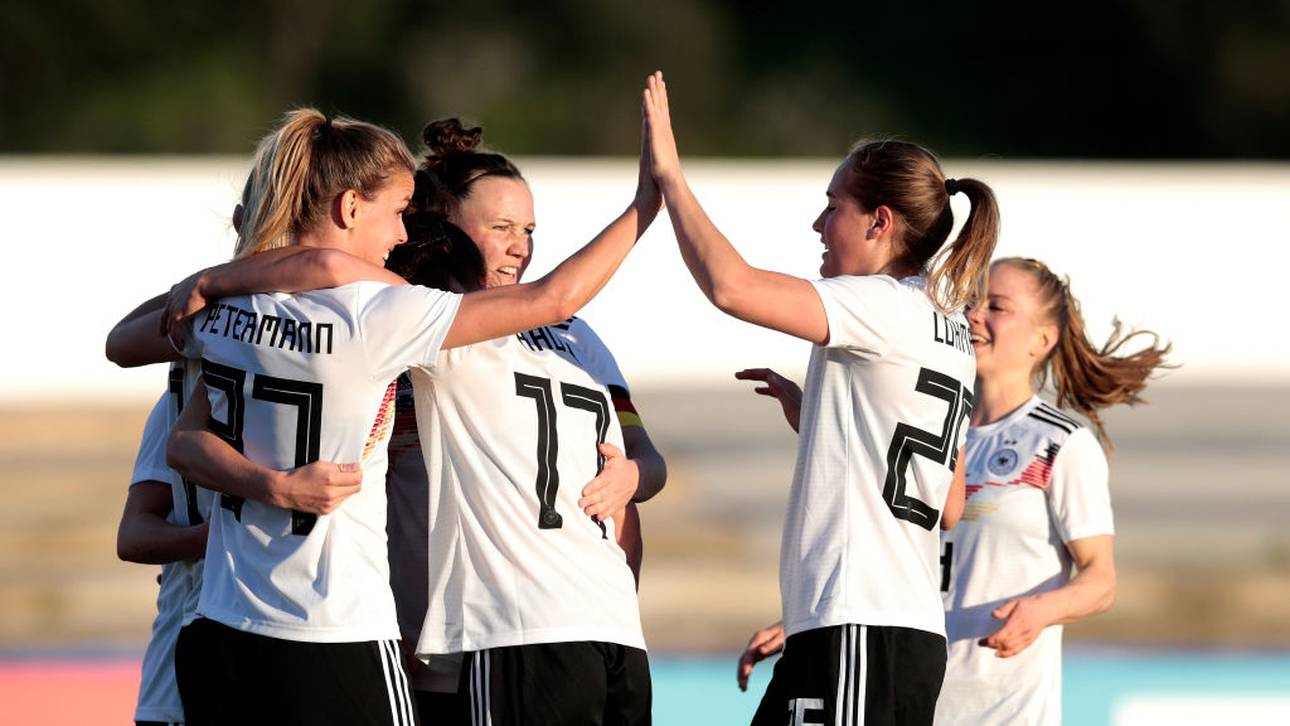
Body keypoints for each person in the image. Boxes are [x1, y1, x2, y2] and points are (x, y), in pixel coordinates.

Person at [109, 103, 660, 725]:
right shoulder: (375, 317)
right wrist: (649, 199)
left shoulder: (219, 311)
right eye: (399, 213)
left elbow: (143, 376)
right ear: (350, 209)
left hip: (220, 627)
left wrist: (272, 485)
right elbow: (552, 297)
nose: (403, 234)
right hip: (334, 625)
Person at [641, 71, 993, 724]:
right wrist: (825, 418)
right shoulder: (947, 327)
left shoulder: (881, 304)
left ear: (880, 221)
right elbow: (945, 500)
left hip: (862, 625)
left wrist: (670, 177)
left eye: (835, 205)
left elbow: (732, 287)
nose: (819, 222)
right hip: (876, 627)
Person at [380, 119, 666, 724]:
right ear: (446, 229)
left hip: (604, 621)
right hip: (500, 626)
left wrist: (636, 474)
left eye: (529, 230)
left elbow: (644, 456)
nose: (521, 247)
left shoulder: (576, 336)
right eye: (501, 228)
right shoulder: (436, 321)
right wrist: (647, 203)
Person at [934, 257, 1169, 725]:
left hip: (1002, 710)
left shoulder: (1060, 443)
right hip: (912, 701)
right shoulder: (933, 430)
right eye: (973, 302)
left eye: (997, 306)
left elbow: (1100, 580)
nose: (975, 315)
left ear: (1042, 340)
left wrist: (1040, 611)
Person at [116, 364, 209, 726]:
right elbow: (133, 536)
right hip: (177, 688)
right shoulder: (178, 400)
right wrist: (214, 540)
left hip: (291, 663)